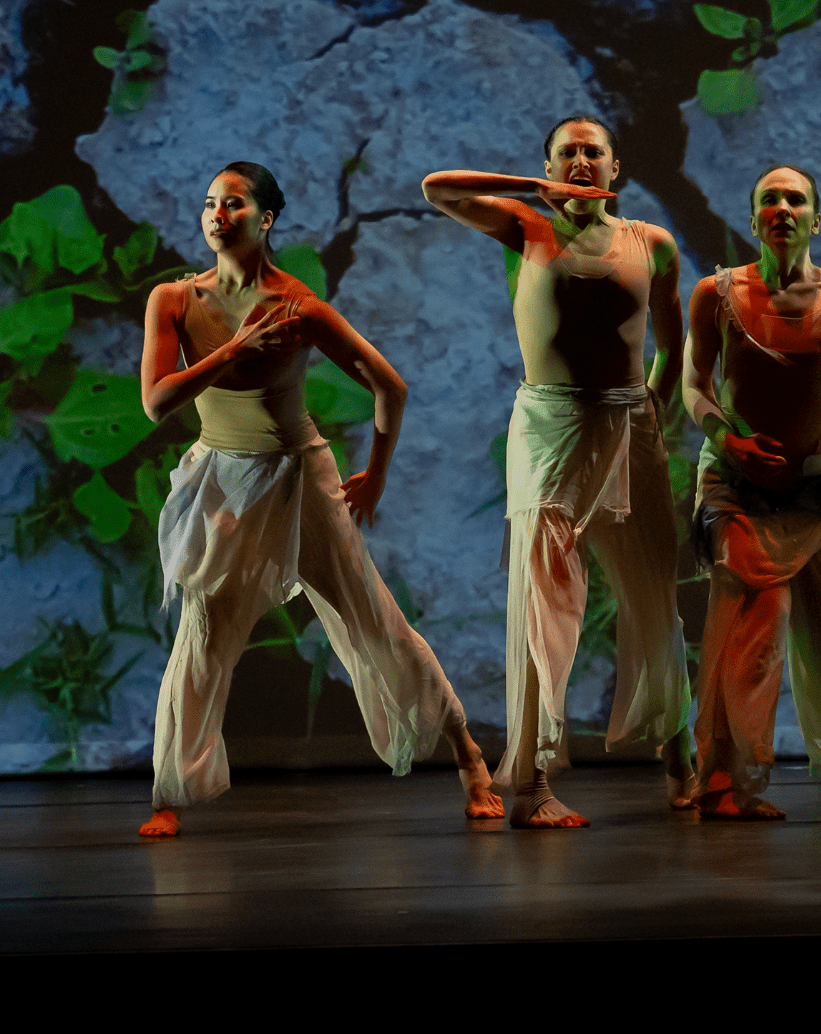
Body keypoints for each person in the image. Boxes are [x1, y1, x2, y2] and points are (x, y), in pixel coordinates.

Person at [138, 162, 502, 837]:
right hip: (222, 479)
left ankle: (470, 757)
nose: (218, 215)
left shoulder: (298, 306)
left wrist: (378, 473)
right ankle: (170, 791)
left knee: (374, 622)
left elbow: (388, 386)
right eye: (210, 203)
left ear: (265, 219)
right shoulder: (175, 300)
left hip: (300, 480)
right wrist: (233, 351)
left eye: (235, 204)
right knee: (203, 632)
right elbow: (158, 402)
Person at [422, 116, 693, 828]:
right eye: (566, 152)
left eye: (591, 151)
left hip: (630, 425)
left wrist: (652, 411)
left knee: (653, 597)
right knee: (545, 602)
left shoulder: (651, 244)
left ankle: (682, 761)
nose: (579, 160)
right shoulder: (527, 228)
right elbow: (437, 188)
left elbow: (674, 342)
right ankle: (534, 784)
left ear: (615, 169)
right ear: (548, 167)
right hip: (549, 426)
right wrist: (529, 188)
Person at [681, 165, 821, 820]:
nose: (781, 207)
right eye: (768, 198)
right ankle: (723, 775)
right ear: (752, 219)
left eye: (795, 198)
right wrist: (728, 440)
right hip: (736, 482)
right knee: (743, 619)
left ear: (816, 218)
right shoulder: (715, 293)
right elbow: (694, 387)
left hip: (813, 481)